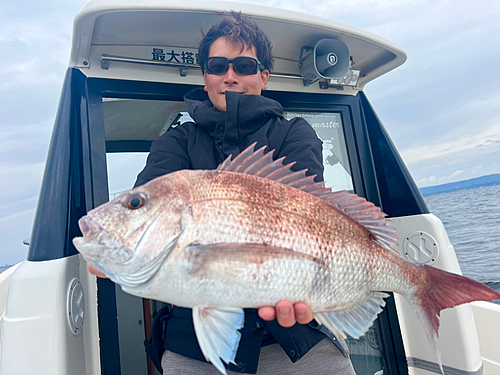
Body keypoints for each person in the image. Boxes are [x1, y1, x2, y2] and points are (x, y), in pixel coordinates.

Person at [89, 12, 354, 375]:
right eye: (218, 65)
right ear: (206, 76)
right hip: (194, 346)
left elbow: (308, 212)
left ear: (264, 77)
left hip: (295, 339)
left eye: (244, 65)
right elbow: (151, 209)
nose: (230, 76)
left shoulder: (294, 134)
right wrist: (119, 242)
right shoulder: (176, 142)